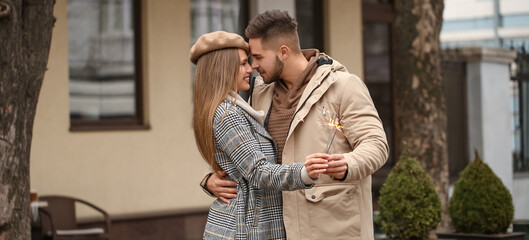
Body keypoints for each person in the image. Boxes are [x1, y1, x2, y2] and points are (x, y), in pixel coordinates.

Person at [202, 11, 389, 240]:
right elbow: (247, 152)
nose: (253, 66)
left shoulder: (343, 87)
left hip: (332, 230)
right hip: (281, 230)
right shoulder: (260, 93)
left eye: (258, 57)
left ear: (283, 52)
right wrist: (213, 179)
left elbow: (376, 144)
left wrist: (349, 163)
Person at [190, 31, 337, 240]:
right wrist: (305, 172)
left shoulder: (237, 108)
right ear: (223, 69)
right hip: (244, 227)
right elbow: (258, 172)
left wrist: (209, 181)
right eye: (243, 64)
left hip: (247, 223)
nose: (251, 69)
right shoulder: (228, 114)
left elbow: (237, 166)